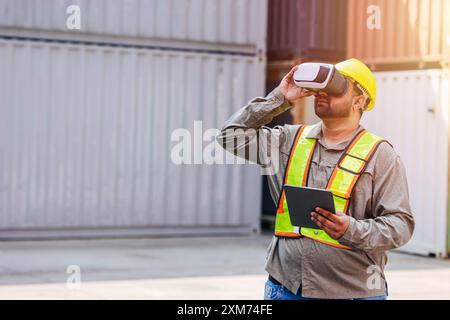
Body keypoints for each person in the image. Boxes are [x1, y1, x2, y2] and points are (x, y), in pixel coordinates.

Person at [216, 58, 415, 300]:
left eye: (336, 87)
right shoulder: (288, 140)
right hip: (286, 288)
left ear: (359, 100)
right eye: (321, 88)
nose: (323, 94)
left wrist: (352, 229)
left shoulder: (381, 155)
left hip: (353, 293)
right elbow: (230, 137)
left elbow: (401, 225)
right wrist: (280, 97)